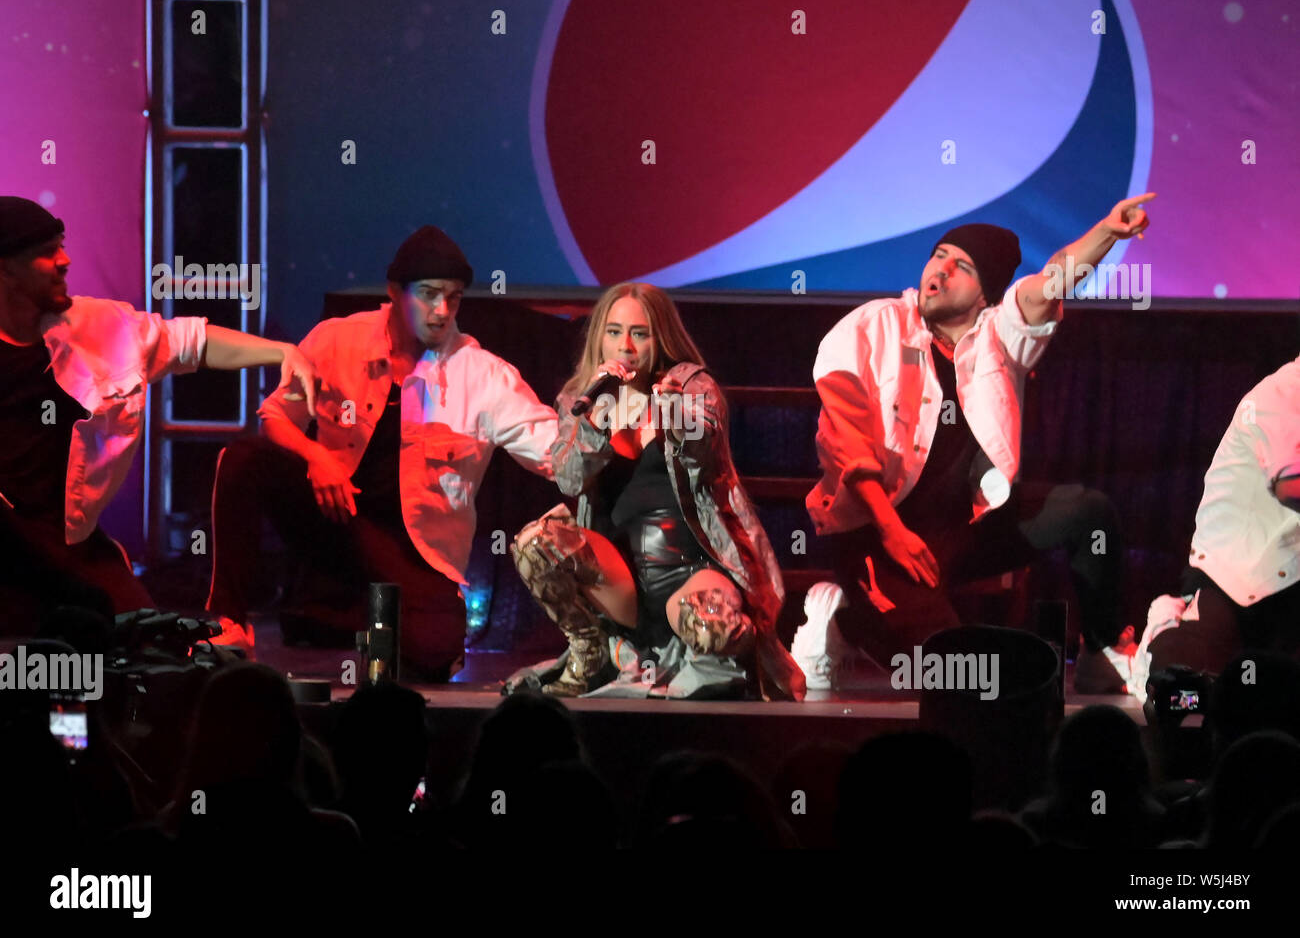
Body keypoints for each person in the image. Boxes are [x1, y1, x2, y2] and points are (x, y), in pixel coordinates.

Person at [807, 195, 1156, 692]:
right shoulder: (872, 326)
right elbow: (845, 438)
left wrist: (1106, 232)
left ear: (984, 294)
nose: (941, 269)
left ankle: (1100, 649)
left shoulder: (999, 335)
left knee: (1087, 510)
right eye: (939, 255)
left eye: (962, 265)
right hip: (877, 532)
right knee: (956, 678)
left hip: (964, 533)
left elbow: (1051, 280)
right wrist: (889, 530)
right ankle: (841, 621)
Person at [206, 225, 558, 678]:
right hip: (335, 515)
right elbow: (275, 417)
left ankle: (348, 613)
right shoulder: (337, 341)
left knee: (432, 653)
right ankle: (228, 622)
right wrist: (317, 458)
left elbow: (550, 445)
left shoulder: (481, 374)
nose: (442, 310)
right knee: (243, 461)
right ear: (395, 292)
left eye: (453, 297)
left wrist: (612, 430)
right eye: (429, 294)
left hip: (412, 546)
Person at [0, 196, 316, 633]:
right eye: (46, 251)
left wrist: (281, 351)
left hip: (70, 546)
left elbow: (190, 342)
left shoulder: (95, 327)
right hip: (7, 546)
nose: (64, 259)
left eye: (62, 244)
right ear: (5, 269)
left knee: (152, 653)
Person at [505, 283, 804, 700]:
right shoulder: (583, 398)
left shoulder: (691, 390)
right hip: (619, 580)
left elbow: (703, 452)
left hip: (689, 573)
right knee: (534, 543)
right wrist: (595, 419)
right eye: (613, 332)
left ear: (659, 337)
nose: (624, 346)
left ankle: (713, 658)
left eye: (639, 333)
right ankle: (590, 654)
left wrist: (669, 411)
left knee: (712, 627)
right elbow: (568, 478)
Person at [1143, 357, 1300, 675]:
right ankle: (1165, 628)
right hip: (1237, 580)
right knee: (1186, 694)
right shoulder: (1281, 394)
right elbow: (1290, 485)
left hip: (1290, 579)